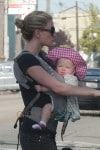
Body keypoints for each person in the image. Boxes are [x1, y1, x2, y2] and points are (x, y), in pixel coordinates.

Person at [14, 10, 100, 150]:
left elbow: (66, 75)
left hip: (47, 132)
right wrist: (95, 92)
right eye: (51, 29)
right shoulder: (26, 59)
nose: (53, 33)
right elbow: (60, 87)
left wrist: (58, 43)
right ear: (38, 33)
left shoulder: (42, 57)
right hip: (35, 135)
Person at [32, 47, 87, 130]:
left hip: (64, 106)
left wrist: (41, 88)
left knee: (48, 106)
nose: (63, 69)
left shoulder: (71, 79)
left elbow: (56, 87)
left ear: (73, 71)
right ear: (55, 68)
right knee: (47, 106)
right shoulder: (56, 77)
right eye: (60, 66)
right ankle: (43, 123)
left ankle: (43, 122)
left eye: (67, 67)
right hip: (56, 104)